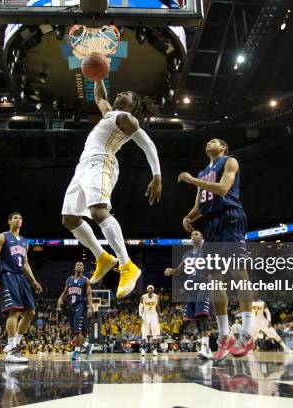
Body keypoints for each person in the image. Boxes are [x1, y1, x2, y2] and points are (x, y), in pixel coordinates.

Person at [61, 80, 162, 299]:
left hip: (102, 161)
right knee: (69, 218)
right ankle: (102, 257)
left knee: (98, 211)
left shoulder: (127, 118)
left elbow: (147, 144)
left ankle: (127, 266)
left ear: (133, 104)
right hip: (84, 165)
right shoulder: (109, 113)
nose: (120, 93)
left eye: (126, 93)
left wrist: (157, 176)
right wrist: (98, 78)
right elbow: (100, 98)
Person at [179, 138, 253, 360]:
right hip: (212, 224)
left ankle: (247, 332)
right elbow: (199, 207)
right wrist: (188, 217)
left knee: (238, 272)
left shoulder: (230, 161)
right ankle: (225, 336)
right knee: (214, 278)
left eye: (213, 141)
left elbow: (222, 189)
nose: (207, 143)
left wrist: (192, 181)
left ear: (222, 147)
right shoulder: (203, 173)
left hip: (231, 218)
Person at [0, 212, 42, 364]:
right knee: (14, 311)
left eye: (20, 218)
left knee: (31, 312)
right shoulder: (3, 236)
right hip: (8, 275)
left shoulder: (25, 241)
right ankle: (12, 350)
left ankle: (13, 344)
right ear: (9, 221)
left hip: (21, 277)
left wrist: (33, 281)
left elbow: (25, 264)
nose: (18, 220)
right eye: (15, 218)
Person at [165, 230, 213, 359]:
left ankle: (206, 347)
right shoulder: (186, 255)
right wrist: (171, 271)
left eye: (197, 234)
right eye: (192, 235)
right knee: (197, 318)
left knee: (203, 315)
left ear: (202, 237)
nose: (194, 236)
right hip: (191, 288)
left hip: (203, 284)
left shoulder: (206, 251)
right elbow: (179, 271)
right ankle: (204, 346)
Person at [57, 261, 93, 360]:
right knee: (75, 332)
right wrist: (60, 299)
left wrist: (90, 307)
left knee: (77, 330)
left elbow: (89, 294)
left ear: (83, 269)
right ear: (75, 267)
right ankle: (87, 345)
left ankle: (76, 352)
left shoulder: (85, 280)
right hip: (71, 306)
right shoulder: (69, 280)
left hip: (81, 305)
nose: (78, 266)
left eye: (81, 265)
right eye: (77, 265)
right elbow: (65, 293)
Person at [139, 285, 160, 357]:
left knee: (155, 334)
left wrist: (159, 317)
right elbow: (140, 307)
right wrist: (140, 315)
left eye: (151, 288)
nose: (150, 289)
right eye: (149, 288)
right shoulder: (143, 297)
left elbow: (158, 307)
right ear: (147, 289)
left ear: (153, 290)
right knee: (144, 334)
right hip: (145, 315)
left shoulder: (156, 297)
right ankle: (143, 350)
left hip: (154, 315)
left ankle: (154, 350)